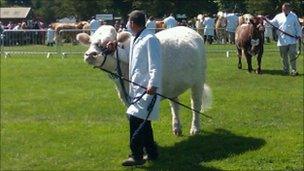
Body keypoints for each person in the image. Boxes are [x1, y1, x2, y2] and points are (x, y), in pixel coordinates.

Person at [122, 10, 162, 166]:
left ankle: (137, 156)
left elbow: (156, 64)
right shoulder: (136, 38)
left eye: (128, 22)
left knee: (135, 120)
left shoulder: (150, 39)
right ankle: (152, 153)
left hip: (147, 89)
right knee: (144, 123)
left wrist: (153, 84)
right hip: (137, 88)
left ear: (132, 23)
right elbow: (132, 60)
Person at [268, 3, 302, 76]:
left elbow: (297, 26)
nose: (284, 10)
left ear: (289, 9)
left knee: (292, 55)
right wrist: (265, 19)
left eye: (285, 9)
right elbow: (272, 23)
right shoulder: (278, 16)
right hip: (282, 40)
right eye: (283, 9)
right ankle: (286, 69)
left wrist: (299, 35)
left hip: (292, 39)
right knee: (284, 56)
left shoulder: (294, 16)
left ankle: (293, 70)